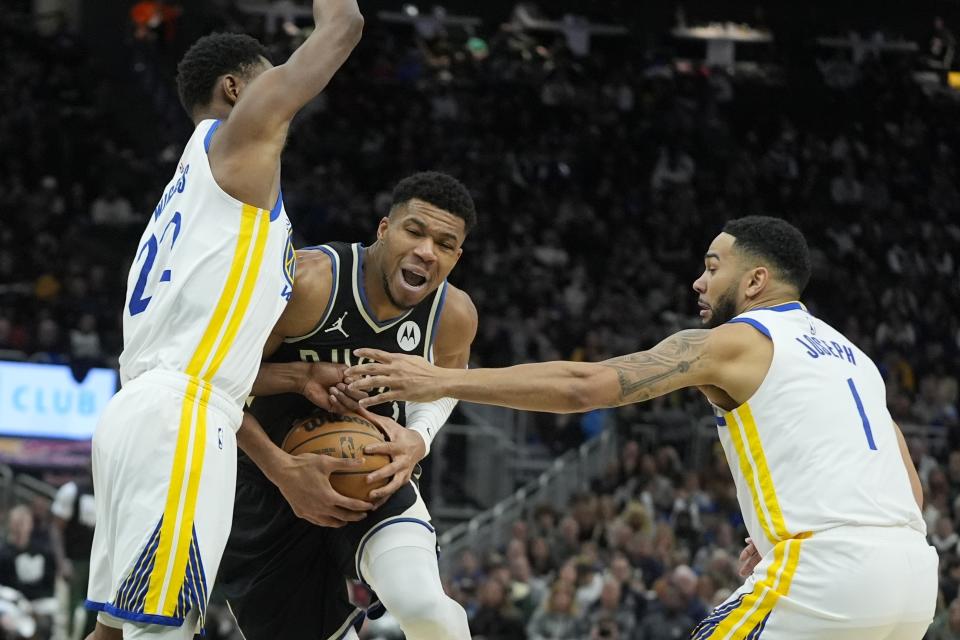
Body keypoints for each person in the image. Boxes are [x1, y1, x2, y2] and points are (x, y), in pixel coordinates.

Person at [342, 215, 938, 639]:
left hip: (825, 577)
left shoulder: (736, 341)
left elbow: (585, 387)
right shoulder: (855, 357)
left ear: (755, 281)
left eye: (712, 267)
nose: (698, 283)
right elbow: (909, 491)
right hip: (912, 583)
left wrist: (440, 381)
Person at [83, 2, 365, 638]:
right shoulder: (235, 144)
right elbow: (342, 28)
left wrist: (294, 379)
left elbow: (213, 364)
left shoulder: (189, 196)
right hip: (180, 420)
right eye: (268, 79)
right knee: (161, 630)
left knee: (113, 629)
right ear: (236, 88)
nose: (279, 95)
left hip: (140, 416)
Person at [218, 171, 478, 640]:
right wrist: (283, 460)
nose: (426, 251)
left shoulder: (453, 315)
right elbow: (213, 381)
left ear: (456, 257)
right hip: (265, 481)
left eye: (444, 243)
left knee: (427, 611)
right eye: (414, 231)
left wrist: (418, 439)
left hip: (372, 474)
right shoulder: (307, 282)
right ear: (384, 229)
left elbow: (445, 386)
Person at [50, 473, 97, 638]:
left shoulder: (107, 491)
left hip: (97, 564)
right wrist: (62, 562)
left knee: (95, 613)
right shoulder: (72, 491)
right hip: (74, 562)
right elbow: (56, 529)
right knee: (67, 612)